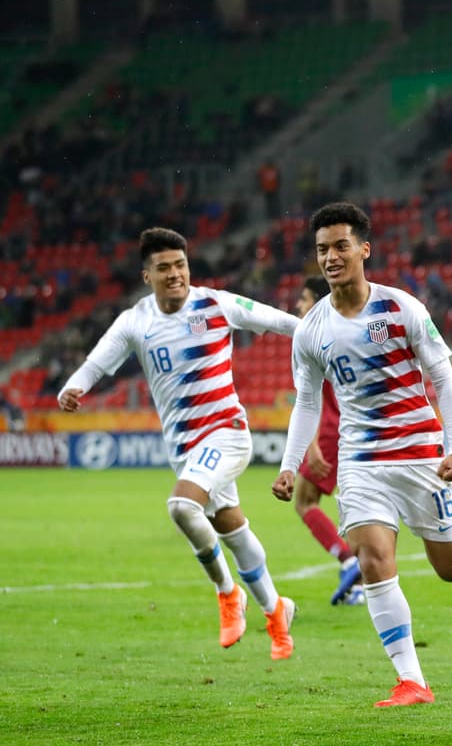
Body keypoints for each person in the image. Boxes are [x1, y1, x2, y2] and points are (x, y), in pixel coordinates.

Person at [57, 227, 298, 659]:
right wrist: (73, 387)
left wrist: (327, 338)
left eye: (180, 265)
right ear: (147, 275)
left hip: (226, 431)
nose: (174, 274)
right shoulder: (135, 321)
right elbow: (96, 363)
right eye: (164, 267)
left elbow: (281, 321)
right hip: (185, 448)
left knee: (182, 507)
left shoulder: (217, 304)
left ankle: (228, 594)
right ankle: (276, 610)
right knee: (232, 528)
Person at [272, 202, 452, 707]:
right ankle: (412, 680)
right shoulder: (310, 329)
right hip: (361, 461)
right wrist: (289, 466)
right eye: (322, 249)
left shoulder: (402, 308)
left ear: (364, 249)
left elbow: (443, 378)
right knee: (373, 559)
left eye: (341, 246)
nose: (331, 257)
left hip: (420, 453)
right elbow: (307, 402)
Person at [293, 276, 364, 605]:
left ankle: (350, 562)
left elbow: (309, 400)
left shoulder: (311, 336)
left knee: (305, 502)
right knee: (356, 505)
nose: (299, 305)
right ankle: (359, 587)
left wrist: (311, 445)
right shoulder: (343, 330)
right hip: (348, 427)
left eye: (304, 298)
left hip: (328, 429)